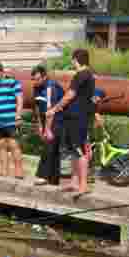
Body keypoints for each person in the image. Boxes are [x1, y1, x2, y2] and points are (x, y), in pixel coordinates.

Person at [45, 48, 95, 198]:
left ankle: (83, 185)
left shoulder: (81, 75)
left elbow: (70, 95)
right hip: (76, 117)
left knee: (80, 152)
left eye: (72, 60)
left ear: (75, 60)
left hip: (77, 118)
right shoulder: (89, 75)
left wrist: (54, 109)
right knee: (74, 151)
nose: (72, 63)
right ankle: (74, 182)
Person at [32, 65, 66, 186]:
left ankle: (43, 176)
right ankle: (54, 179)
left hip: (57, 120)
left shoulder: (50, 87)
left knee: (49, 147)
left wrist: (48, 130)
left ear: (45, 77)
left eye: (37, 79)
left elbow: (50, 111)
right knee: (52, 148)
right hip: (46, 120)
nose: (35, 81)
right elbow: (37, 108)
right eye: (33, 79)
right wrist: (40, 126)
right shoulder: (36, 87)